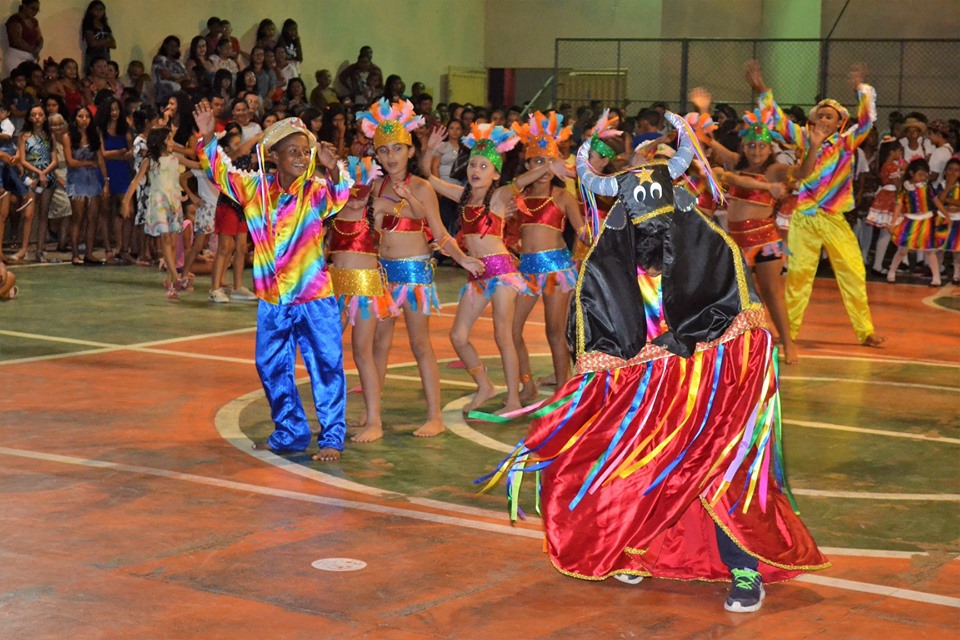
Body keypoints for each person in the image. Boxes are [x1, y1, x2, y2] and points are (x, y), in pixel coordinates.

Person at [479, 110, 829, 614]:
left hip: (710, 388)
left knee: (719, 471)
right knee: (629, 461)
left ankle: (744, 565)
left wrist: (699, 354)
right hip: (649, 392)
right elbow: (597, 333)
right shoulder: (608, 259)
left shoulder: (710, 247)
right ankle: (636, 547)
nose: (652, 234)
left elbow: (739, 320)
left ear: (678, 201)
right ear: (622, 213)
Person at [195, 102, 352, 462]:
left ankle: (332, 437)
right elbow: (219, 172)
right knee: (271, 367)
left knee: (325, 366)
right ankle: (291, 433)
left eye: (305, 151)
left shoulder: (315, 191)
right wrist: (207, 136)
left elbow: (342, 194)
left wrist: (333, 166)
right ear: (275, 156)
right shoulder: (254, 190)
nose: (300, 157)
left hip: (315, 299)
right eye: (292, 151)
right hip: (272, 301)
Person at [355, 98, 483, 440]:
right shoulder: (374, 186)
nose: (391, 156)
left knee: (420, 344)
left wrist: (463, 258)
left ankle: (434, 415)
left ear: (410, 151)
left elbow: (439, 234)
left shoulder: (422, 187)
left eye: (398, 149)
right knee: (379, 345)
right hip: (382, 273)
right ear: (376, 155)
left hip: (413, 274)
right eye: (384, 151)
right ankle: (373, 417)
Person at [746, 59, 884, 349]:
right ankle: (789, 332)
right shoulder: (802, 139)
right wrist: (761, 88)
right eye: (820, 115)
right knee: (798, 276)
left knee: (854, 272)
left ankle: (866, 330)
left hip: (834, 218)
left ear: (839, 123)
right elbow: (778, 120)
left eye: (830, 117)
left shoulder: (847, 143)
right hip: (805, 219)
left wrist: (862, 89)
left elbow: (868, 121)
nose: (824, 120)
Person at [420, 122, 527, 415]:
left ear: (495, 173)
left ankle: (514, 400)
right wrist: (430, 150)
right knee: (458, 336)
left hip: (502, 272)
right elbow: (428, 177)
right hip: (476, 274)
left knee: (503, 336)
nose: (475, 171)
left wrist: (547, 167)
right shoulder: (463, 196)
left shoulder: (499, 197)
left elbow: (521, 182)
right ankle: (485, 385)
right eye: (472, 165)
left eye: (483, 166)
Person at [708, 107, 827, 365]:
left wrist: (814, 146)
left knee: (772, 293)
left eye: (761, 146)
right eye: (751, 145)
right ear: (743, 147)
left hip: (765, 240)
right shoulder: (735, 164)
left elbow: (803, 172)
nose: (756, 151)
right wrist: (704, 114)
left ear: (769, 148)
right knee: (740, 295)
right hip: (736, 240)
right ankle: (752, 338)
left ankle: (788, 342)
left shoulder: (774, 170)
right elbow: (708, 143)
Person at [508, 110, 584, 401]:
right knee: (511, 329)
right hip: (527, 270)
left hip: (556, 269)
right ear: (526, 164)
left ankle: (564, 388)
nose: (540, 167)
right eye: (535, 161)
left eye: (546, 162)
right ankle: (527, 383)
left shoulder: (563, 197)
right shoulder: (519, 197)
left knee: (555, 332)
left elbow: (581, 231)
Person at [328, 156, 393, 440]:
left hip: (366, 288)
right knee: (327, 351)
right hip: (337, 287)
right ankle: (332, 414)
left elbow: (415, 211)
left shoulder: (376, 209)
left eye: (361, 196)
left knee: (362, 352)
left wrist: (400, 193)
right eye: (351, 195)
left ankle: (374, 420)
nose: (355, 202)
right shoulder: (332, 210)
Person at [122, 127, 191, 299]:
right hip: (159, 203)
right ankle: (176, 277)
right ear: (160, 141)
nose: (172, 143)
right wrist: (126, 201)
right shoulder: (151, 161)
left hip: (174, 202)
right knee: (166, 239)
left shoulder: (176, 159)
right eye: (169, 139)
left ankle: (170, 281)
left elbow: (198, 165)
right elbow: (136, 181)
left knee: (174, 242)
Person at [885, 158, 947, 287]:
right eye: (920, 174)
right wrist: (893, 222)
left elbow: (936, 201)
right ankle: (891, 271)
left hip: (926, 221)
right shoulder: (904, 188)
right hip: (910, 221)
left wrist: (946, 214)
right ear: (912, 173)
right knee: (902, 249)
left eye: (925, 175)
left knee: (929, 251)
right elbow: (898, 206)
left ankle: (936, 278)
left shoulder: (927, 187)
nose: (923, 177)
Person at [11, 104, 57, 263]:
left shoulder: (49, 136)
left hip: (47, 177)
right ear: (30, 118)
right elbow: (23, 159)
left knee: (44, 214)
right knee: (28, 213)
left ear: (44, 117)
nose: (37, 118)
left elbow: (55, 160)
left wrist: (44, 173)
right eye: (34, 115)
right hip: (31, 176)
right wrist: (38, 173)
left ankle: (40, 249)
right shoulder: (24, 135)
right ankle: (23, 249)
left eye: (40, 114)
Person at [63, 106, 108, 265]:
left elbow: (100, 159)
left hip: (93, 179)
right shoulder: (68, 137)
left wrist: (105, 180)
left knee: (93, 217)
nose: (84, 120)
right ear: (75, 119)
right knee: (78, 217)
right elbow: (70, 161)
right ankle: (75, 254)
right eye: (80, 116)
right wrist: (89, 163)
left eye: (87, 116)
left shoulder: (95, 135)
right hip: (76, 179)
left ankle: (89, 253)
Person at [863, 137, 903, 276]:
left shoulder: (883, 164)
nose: (900, 153)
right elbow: (897, 183)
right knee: (888, 231)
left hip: (884, 196)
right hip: (890, 198)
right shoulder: (892, 165)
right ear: (892, 152)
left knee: (886, 232)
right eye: (899, 151)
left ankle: (879, 264)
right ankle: (879, 264)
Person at [936, 157, 960, 285]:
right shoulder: (942, 185)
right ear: (945, 171)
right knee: (940, 248)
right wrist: (948, 187)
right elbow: (939, 200)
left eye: (956, 170)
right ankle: (937, 271)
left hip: (957, 219)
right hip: (943, 219)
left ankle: (957, 274)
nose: (952, 173)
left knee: (957, 250)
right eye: (949, 170)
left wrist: (949, 201)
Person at [5, 0, 42, 74]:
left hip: (31, 57)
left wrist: (38, 49)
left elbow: (40, 38)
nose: (34, 12)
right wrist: (33, 51)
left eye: (37, 10)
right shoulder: (15, 19)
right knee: (19, 81)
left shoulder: (34, 21)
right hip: (17, 57)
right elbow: (17, 41)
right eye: (32, 9)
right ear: (24, 6)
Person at [80, 1, 114, 70]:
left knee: (104, 75)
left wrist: (99, 42)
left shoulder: (106, 26)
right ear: (91, 10)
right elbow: (92, 43)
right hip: (93, 55)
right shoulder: (88, 25)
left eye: (101, 9)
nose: (98, 12)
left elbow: (113, 44)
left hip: (105, 55)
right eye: (96, 9)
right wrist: (106, 41)